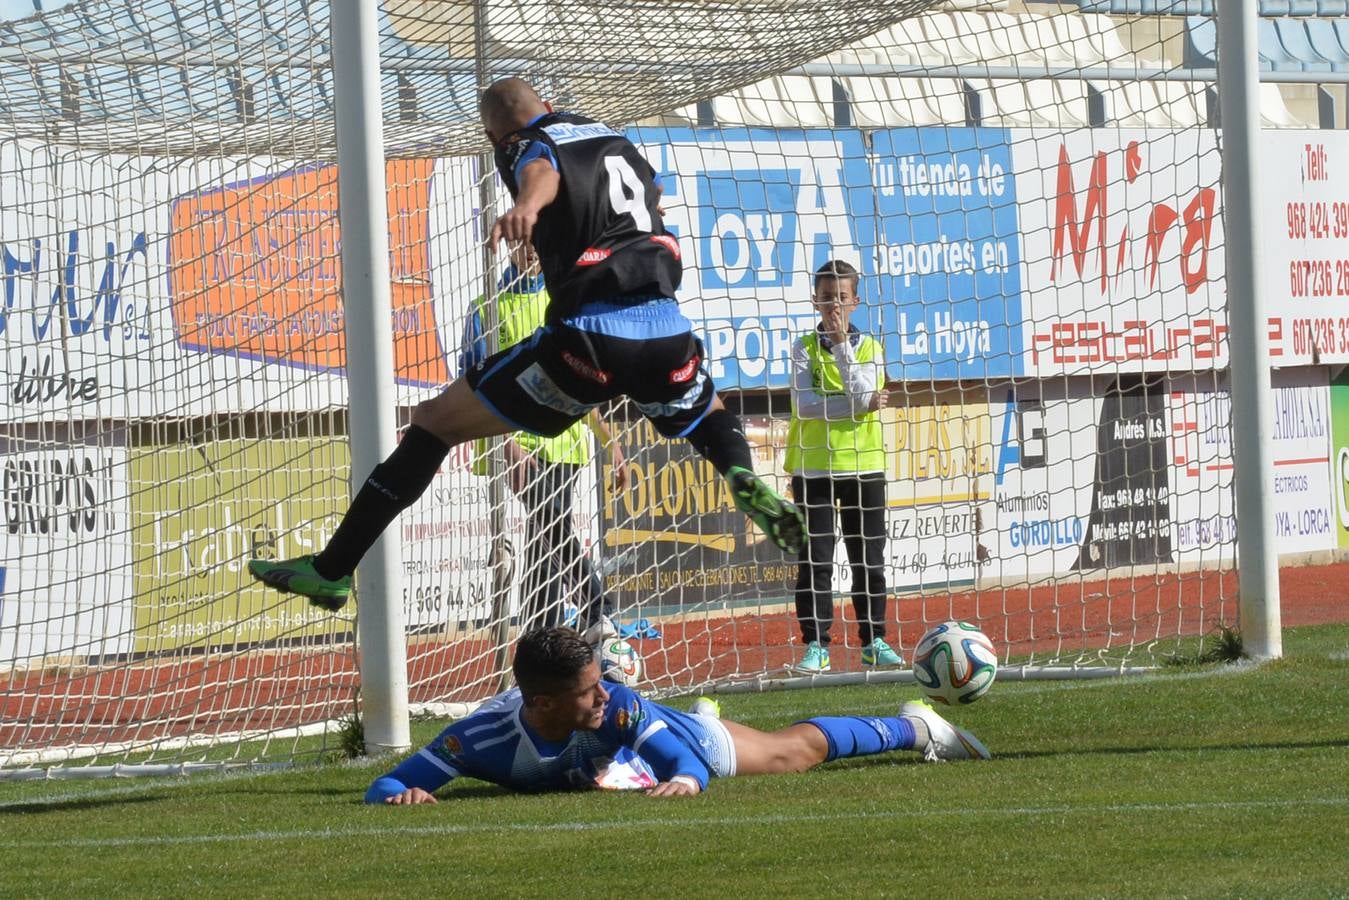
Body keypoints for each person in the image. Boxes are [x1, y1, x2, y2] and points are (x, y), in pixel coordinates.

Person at [248, 77, 804, 606]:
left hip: (587, 341)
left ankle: (331, 570)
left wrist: (528, 206)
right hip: (666, 330)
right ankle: (741, 474)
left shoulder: (524, 144)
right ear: (547, 102)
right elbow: (654, 195)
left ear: (495, 134)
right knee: (707, 409)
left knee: (433, 423)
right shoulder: (617, 140)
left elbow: (543, 171)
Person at [366, 626, 989, 804]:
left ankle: (916, 726)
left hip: (657, 742)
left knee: (790, 756)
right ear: (543, 704)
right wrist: (402, 797)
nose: (604, 693)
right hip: (606, 766)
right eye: (589, 690)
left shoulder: (621, 706)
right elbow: (387, 783)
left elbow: (685, 764)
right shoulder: (478, 740)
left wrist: (687, 779)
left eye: (602, 682)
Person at [460, 242, 625, 640]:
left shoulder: (561, 300)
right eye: (524, 243)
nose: (532, 251)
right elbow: (473, 379)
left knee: (545, 540)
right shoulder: (486, 307)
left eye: (538, 242)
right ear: (511, 245)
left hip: (564, 441)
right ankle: (596, 608)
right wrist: (505, 443)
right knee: (551, 525)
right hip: (515, 442)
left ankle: (543, 636)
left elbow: (579, 378)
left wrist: (610, 442)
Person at [784, 260, 902, 673]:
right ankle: (816, 644)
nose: (834, 305)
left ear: (855, 301)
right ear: (815, 299)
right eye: (827, 297)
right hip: (813, 467)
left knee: (868, 557)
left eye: (842, 297)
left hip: (864, 466)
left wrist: (840, 345)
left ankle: (874, 640)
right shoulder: (802, 347)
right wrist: (859, 403)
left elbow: (865, 392)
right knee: (815, 558)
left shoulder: (870, 347)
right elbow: (806, 405)